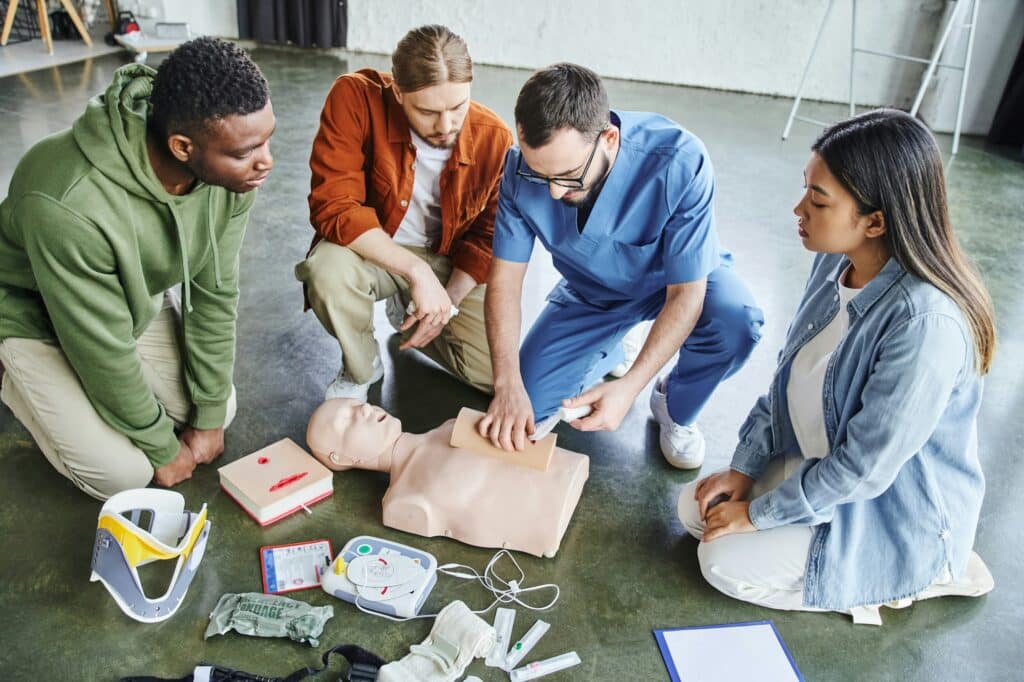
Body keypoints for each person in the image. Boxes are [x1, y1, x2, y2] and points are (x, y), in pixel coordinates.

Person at [678, 109, 995, 625]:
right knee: (695, 512)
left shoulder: (924, 324)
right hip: (820, 453)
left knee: (720, 563)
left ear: (876, 222)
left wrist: (758, 514)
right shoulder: (834, 259)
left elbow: (862, 471)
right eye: (807, 189)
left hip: (886, 511)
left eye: (818, 201)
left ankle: (923, 572)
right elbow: (787, 382)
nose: (798, 208)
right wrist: (745, 467)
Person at [0, 37, 275, 499]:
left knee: (218, 406)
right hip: (29, 313)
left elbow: (215, 294)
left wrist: (207, 420)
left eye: (267, 138)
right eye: (246, 151)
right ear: (183, 146)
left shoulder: (232, 174)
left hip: (124, 299)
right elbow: (100, 348)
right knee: (122, 475)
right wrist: (160, 449)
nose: (266, 161)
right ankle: (12, 369)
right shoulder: (68, 202)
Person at [480, 63, 763, 469]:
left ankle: (675, 405)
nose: (555, 192)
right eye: (542, 176)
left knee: (738, 322)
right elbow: (504, 281)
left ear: (609, 139)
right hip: (594, 293)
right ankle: (615, 345)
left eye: (569, 176)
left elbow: (687, 294)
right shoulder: (519, 167)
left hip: (678, 277)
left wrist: (631, 388)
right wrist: (507, 382)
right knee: (529, 407)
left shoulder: (680, 159)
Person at [296, 25, 512, 402]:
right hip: (374, 248)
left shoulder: (495, 137)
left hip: (447, 258)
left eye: (457, 107)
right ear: (398, 92)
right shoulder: (354, 98)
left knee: (493, 378)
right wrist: (416, 272)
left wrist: (447, 304)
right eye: (428, 112)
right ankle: (362, 364)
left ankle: (407, 313)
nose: (446, 126)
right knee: (326, 272)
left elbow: (487, 236)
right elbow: (335, 205)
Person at [306, 398, 589, 558]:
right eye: (345, 421)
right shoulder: (403, 501)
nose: (365, 410)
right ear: (341, 459)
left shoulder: (451, 425)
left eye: (356, 405)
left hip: (570, 470)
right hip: (548, 524)